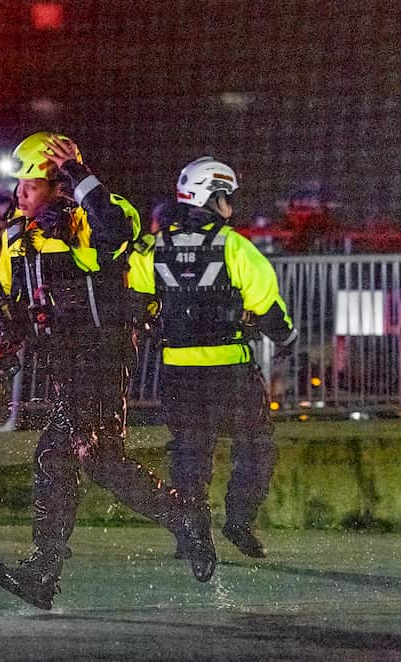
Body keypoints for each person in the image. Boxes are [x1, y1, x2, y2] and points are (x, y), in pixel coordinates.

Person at [0, 131, 214, 611]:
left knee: (88, 455)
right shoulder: (16, 238)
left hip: (101, 354)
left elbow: (118, 233)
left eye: (33, 183)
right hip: (63, 361)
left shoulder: (97, 215)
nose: (20, 193)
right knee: (64, 458)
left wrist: (80, 175)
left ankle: (184, 519)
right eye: (18, 184)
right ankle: (46, 571)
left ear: (61, 183)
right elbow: (7, 305)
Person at [129, 157, 296, 563]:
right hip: (231, 372)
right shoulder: (235, 246)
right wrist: (288, 339)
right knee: (255, 447)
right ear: (213, 197)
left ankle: (191, 534)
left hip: (177, 372)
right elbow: (269, 308)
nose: (230, 207)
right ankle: (239, 522)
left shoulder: (153, 247)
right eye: (227, 198)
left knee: (189, 453)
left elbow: (134, 299)